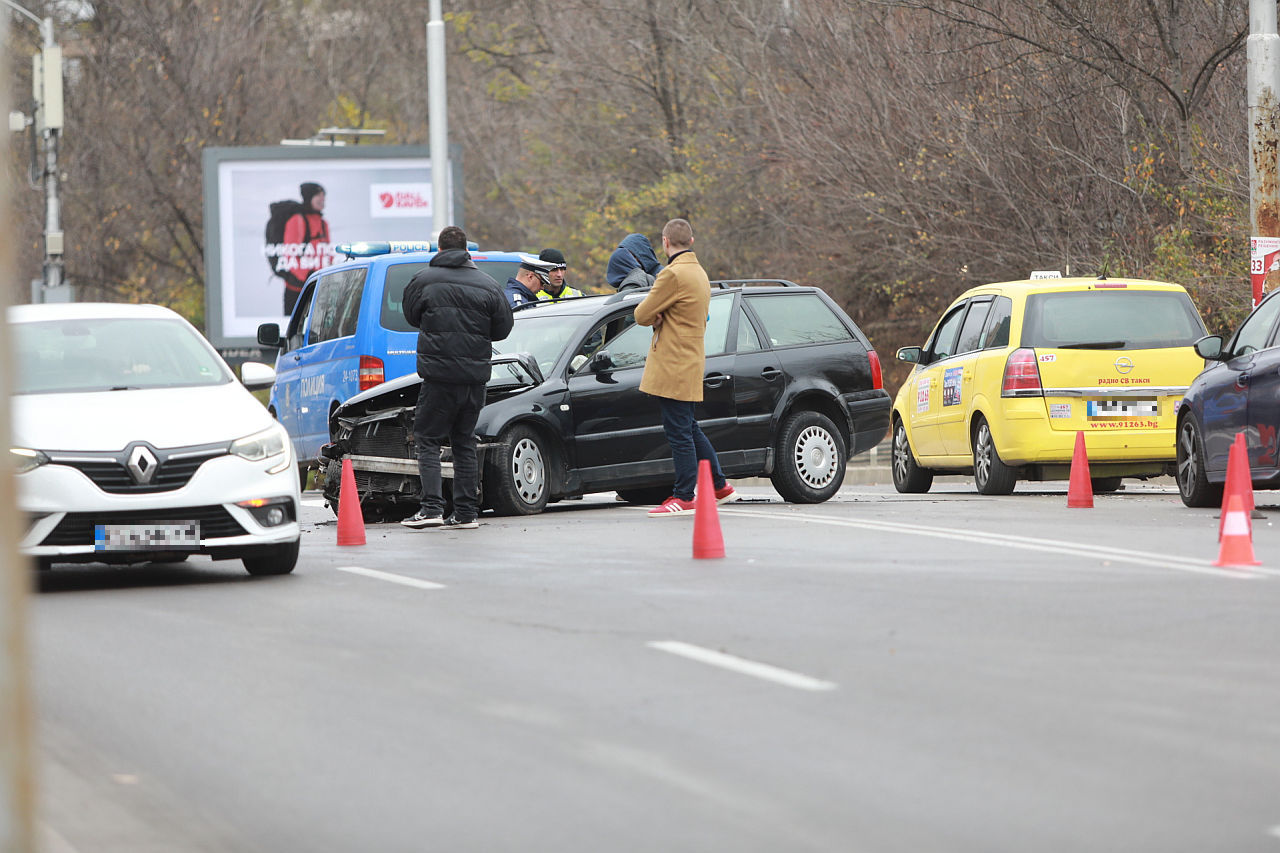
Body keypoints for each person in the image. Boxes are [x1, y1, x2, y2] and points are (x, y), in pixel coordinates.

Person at [400, 225, 514, 530]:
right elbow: (503, 329)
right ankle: (466, 513)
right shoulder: (488, 284)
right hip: (475, 378)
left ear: (439, 250)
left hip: (438, 376)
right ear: (467, 252)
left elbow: (411, 315)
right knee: (464, 441)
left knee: (427, 439)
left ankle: (432, 508)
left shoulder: (423, 280)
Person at [633, 218, 736, 516]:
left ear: (665, 243)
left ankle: (684, 495)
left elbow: (641, 314)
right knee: (689, 427)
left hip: (673, 364)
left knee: (678, 432)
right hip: (690, 360)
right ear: (691, 242)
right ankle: (719, 486)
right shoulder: (699, 273)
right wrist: (661, 313)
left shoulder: (672, 275)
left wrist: (656, 315)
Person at [281, 182, 331, 314]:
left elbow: (327, 252)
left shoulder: (323, 223)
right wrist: (308, 276)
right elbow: (290, 254)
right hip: (297, 290)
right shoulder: (297, 220)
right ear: (309, 198)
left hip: (319, 288)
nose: (322, 199)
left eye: (323, 196)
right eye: (318, 196)